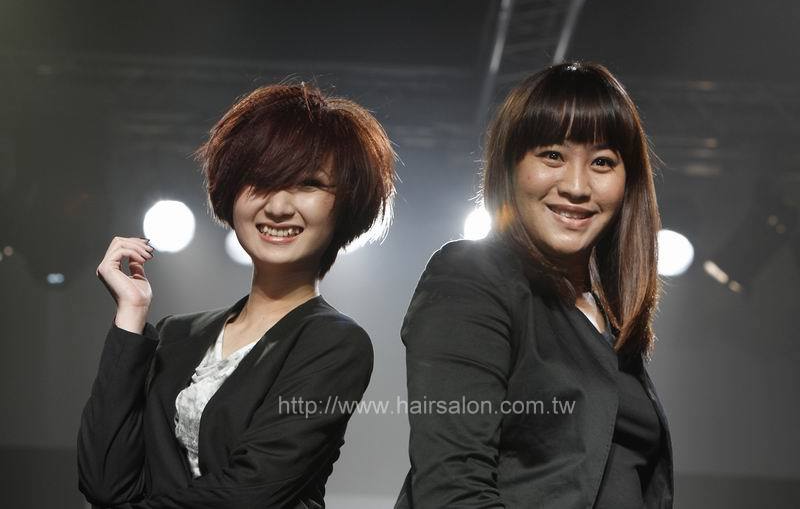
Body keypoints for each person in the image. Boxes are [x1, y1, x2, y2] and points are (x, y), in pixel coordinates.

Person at [78, 82, 396, 508]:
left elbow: (249, 492)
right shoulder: (176, 335)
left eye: (308, 183)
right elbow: (104, 482)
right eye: (261, 181)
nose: (278, 207)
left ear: (346, 205)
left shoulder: (335, 344)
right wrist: (131, 316)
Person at [395, 62, 673, 508]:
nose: (577, 186)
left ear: (629, 181)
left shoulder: (609, 318)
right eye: (552, 156)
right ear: (511, 165)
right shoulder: (472, 275)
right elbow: (453, 487)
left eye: (602, 162)